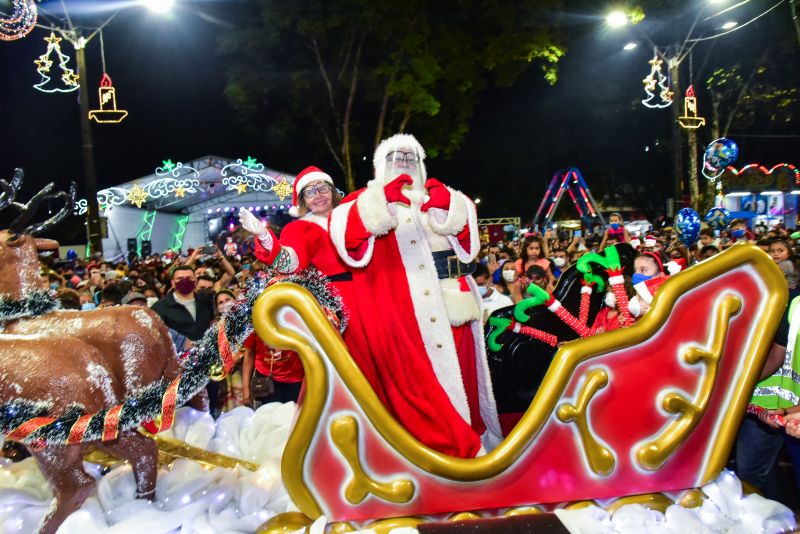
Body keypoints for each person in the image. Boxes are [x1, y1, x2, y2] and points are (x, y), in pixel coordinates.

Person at [328, 133, 502, 457]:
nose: (404, 163)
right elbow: (347, 239)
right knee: (422, 390)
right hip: (404, 318)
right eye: (396, 157)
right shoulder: (363, 201)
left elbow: (469, 248)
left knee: (466, 381)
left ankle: (474, 438)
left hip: (456, 306)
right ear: (381, 165)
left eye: (411, 157)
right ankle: (443, 450)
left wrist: (450, 206)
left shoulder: (437, 196)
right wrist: (381, 202)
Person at [239, 165, 369, 405]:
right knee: (341, 370)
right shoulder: (303, 228)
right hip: (335, 307)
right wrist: (265, 236)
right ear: (302, 201)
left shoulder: (353, 217)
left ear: (332, 191)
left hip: (370, 298)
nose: (318, 195)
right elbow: (289, 263)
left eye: (322, 188)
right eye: (310, 192)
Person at [151, 264, 218, 414]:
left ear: (195, 281)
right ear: (173, 283)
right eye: (180, 279)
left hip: (207, 366)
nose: (185, 281)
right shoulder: (161, 307)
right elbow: (155, 334)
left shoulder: (205, 300)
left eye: (189, 278)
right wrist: (181, 342)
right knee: (182, 413)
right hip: (179, 370)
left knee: (209, 407)